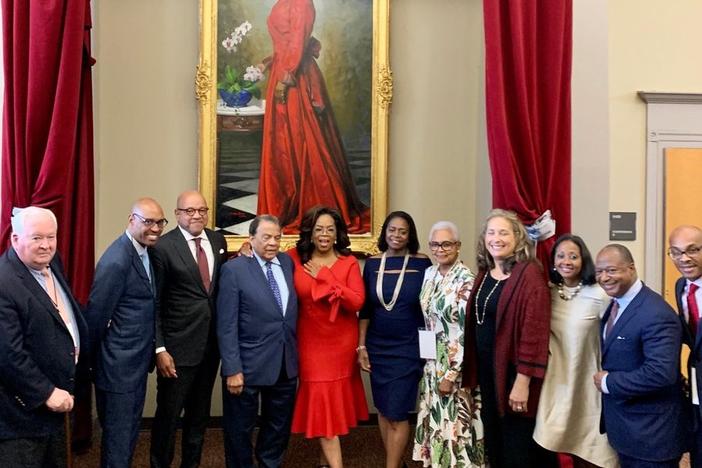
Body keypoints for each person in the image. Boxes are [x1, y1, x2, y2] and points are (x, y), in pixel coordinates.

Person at [256, 0, 370, 234]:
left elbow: (297, 41)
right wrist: (271, 62)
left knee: (304, 141)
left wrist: (285, 77)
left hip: (295, 80)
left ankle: (312, 207)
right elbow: (288, 41)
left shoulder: (301, 2)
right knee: (285, 144)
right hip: (285, 69)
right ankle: (288, 204)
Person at [461, 208, 554, 468]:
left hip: (514, 376)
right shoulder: (485, 273)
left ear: (517, 238)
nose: (496, 238)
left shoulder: (529, 275)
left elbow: (534, 333)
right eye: (491, 232)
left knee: (517, 448)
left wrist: (523, 381)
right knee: (496, 442)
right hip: (490, 375)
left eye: (503, 232)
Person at [0, 206, 87, 467]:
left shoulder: (51, 261)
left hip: (57, 408)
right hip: (21, 416)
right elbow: (8, 354)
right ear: (15, 239)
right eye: (37, 238)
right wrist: (46, 392)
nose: (46, 245)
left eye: (51, 237)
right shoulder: (4, 282)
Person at [86, 197, 167, 468]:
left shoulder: (145, 252)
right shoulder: (116, 261)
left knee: (129, 437)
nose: (155, 228)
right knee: (118, 444)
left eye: (160, 222)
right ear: (131, 220)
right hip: (117, 369)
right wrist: (92, 365)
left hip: (134, 366)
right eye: (148, 222)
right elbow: (96, 319)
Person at [150, 191, 228, 468]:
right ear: (177, 214)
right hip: (176, 350)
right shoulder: (162, 247)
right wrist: (159, 348)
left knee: (199, 417)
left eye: (202, 210)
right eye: (189, 211)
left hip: (209, 348)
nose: (197, 215)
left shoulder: (218, 240)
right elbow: (155, 303)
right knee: (168, 418)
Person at [593, 244, 687, 467]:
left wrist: (608, 382)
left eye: (612, 270)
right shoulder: (616, 304)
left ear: (631, 269)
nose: (604, 277)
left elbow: (660, 374)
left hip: (652, 437)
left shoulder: (656, 313)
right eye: (599, 272)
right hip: (629, 431)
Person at [217, 214, 299, 468]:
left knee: (278, 428)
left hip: (284, 364)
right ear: (251, 239)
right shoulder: (233, 269)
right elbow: (226, 323)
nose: (273, 242)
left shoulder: (286, 263)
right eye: (266, 237)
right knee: (239, 431)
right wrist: (232, 369)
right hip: (247, 366)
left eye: (277, 237)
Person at [289, 206, 367, 468]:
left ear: (337, 234)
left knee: (329, 415)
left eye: (330, 230)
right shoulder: (293, 259)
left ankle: (327, 465)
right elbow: (265, 263)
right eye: (319, 229)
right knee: (323, 411)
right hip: (310, 345)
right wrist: (245, 250)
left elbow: (356, 301)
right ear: (310, 233)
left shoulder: (348, 262)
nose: (324, 234)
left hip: (341, 345)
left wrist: (325, 278)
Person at [533, 235, 618, 468]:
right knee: (553, 439)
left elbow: (613, 338)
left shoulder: (599, 294)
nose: (566, 261)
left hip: (587, 379)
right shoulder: (548, 292)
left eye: (573, 256)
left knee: (591, 446)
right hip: (556, 380)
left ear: (584, 260)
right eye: (560, 256)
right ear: (553, 261)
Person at [358, 211, 431, 468]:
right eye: (392, 230)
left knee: (398, 412)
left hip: (408, 347)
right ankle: (396, 462)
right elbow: (366, 309)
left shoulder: (423, 263)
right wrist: (362, 346)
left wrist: (429, 351)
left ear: (410, 235)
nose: (396, 235)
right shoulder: (373, 263)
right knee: (384, 409)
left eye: (402, 231)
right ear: (384, 232)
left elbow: (429, 309)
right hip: (378, 346)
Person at [412, 221, 485, 468]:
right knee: (437, 423)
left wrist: (452, 374)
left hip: (455, 365)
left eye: (447, 244)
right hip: (432, 361)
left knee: (455, 426)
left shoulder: (467, 280)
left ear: (458, 246)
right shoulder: (429, 274)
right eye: (435, 244)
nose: (440, 249)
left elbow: (468, 332)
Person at [668, 225, 702, 468]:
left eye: (693, 250)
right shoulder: (681, 286)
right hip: (696, 376)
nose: (685, 258)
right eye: (676, 252)